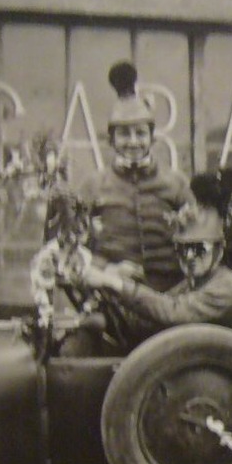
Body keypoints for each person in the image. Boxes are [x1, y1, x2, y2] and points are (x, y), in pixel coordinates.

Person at [80, 168, 232, 338]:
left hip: (217, 363)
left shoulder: (227, 287)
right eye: (183, 249)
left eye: (200, 249)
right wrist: (108, 314)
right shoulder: (193, 283)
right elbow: (148, 322)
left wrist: (115, 283)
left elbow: (172, 312)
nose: (190, 257)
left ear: (219, 250)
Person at [82, 61, 192, 296]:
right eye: (123, 134)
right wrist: (106, 269)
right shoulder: (93, 187)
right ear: (111, 140)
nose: (133, 142)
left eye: (141, 133)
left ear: (152, 138)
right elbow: (69, 250)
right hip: (113, 296)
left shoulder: (176, 184)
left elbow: (199, 238)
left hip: (172, 296)